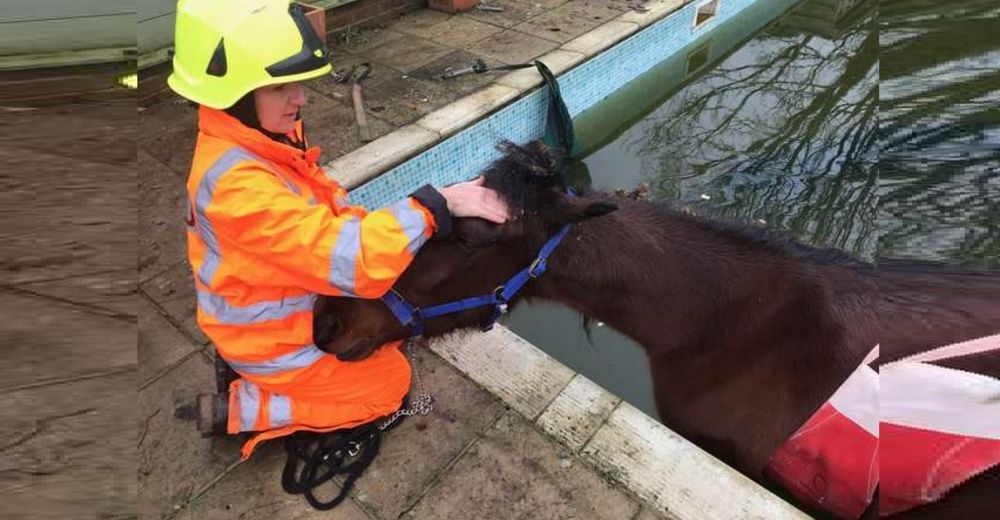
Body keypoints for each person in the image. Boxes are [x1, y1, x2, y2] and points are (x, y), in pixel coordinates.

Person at [167, 0, 508, 459]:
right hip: (272, 340)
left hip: (297, 302)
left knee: (390, 332)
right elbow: (350, 262)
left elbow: (324, 211)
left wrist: (384, 230)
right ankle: (242, 409)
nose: (301, 98)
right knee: (390, 385)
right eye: (282, 86)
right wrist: (434, 206)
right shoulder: (237, 186)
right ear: (233, 94)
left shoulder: (261, 137)